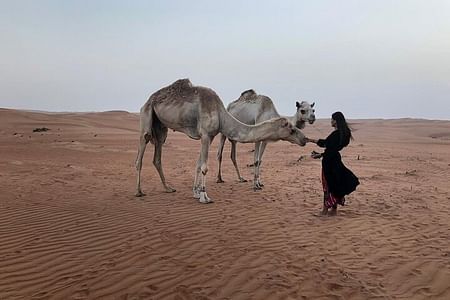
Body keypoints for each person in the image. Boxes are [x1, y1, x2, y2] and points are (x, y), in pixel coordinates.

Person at [307, 112, 359, 216]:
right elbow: (331, 148)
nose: (331, 121)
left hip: (329, 162)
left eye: (332, 119)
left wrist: (311, 140)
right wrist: (321, 154)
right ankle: (334, 210)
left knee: (328, 185)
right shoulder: (344, 134)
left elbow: (326, 144)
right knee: (335, 183)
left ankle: (325, 210)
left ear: (335, 121)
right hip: (335, 159)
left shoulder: (336, 134)